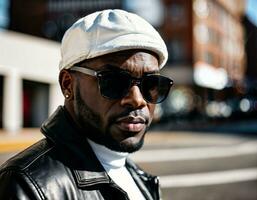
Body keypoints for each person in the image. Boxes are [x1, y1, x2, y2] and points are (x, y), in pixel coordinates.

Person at [0, 9, 173, 200]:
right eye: (114, 81)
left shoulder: (135, 174)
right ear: (68, 84)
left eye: (151, 84)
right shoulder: (28, 186)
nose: (137, 100)